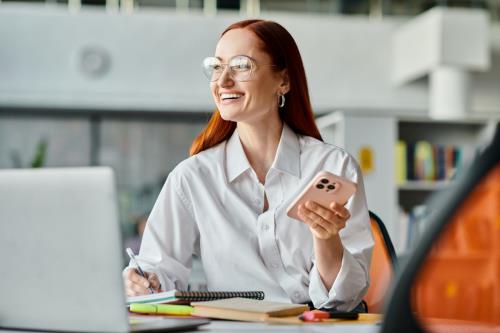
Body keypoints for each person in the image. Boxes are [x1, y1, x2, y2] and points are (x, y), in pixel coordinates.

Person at [123, 19, 374, 312]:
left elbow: (345, 300)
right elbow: (159, 272)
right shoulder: (192, 177)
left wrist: (327, 239)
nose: (223, 81)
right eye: (216, 67)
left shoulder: (332, 166)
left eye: (241, 66)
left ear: (283, 81)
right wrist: (142, 281)